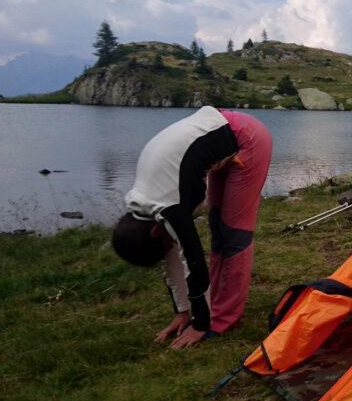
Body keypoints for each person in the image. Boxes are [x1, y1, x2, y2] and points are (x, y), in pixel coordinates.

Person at [112, 106, 272, 348]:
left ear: (156, 231)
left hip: (247, 138)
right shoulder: (144, 207)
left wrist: (200, 324)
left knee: (233, 234)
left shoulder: (168, 206)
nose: (169, 247)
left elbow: (192, 261)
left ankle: (223, 318)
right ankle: (213, 305)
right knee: (217, 227)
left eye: (165, 243)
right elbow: (171, 260)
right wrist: (183, 311)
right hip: (223, 139)